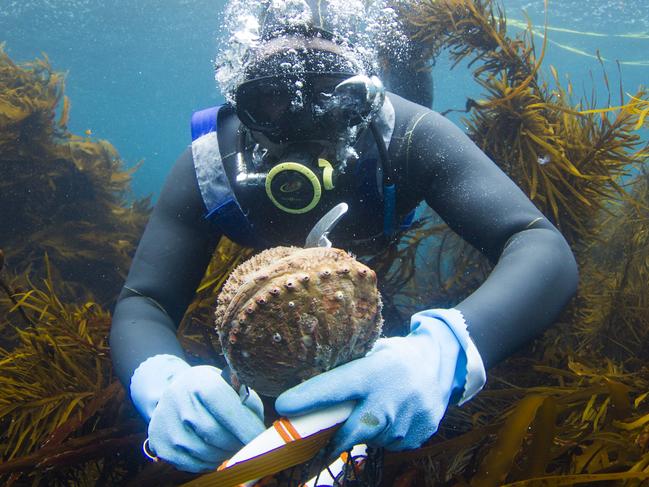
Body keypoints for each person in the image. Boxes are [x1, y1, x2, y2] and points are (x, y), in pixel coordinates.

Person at [109, 2, 578, 475]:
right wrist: (163, 382)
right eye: (270, 101)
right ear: (238, 104)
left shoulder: (409, 137)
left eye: (336, 97)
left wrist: (441, 354)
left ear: (368, 99)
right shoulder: (211, 167)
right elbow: (145, 300)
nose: (303, 123)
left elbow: (540, 245)